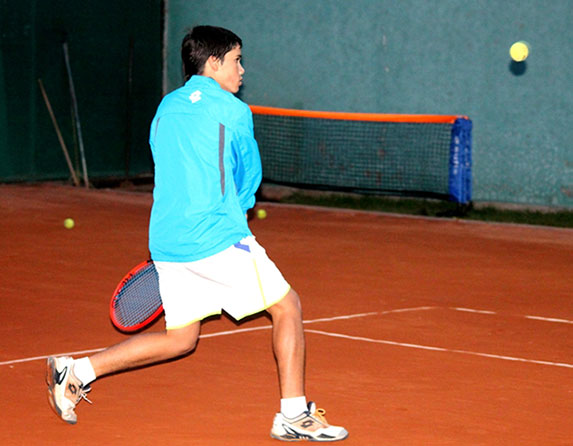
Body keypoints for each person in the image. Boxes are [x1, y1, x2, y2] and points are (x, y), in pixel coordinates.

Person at [46, 25, 348, 442]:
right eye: (237, 60)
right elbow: (249, 175)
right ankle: (294, 415)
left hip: (167, 242)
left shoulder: (165, 108)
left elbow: (170, 169)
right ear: (213, 62)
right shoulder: (232, 109)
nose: (242, 70)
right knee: (287, 307)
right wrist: (237, 213)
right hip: (216, 237)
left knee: (181, 339)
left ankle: (75, 370)